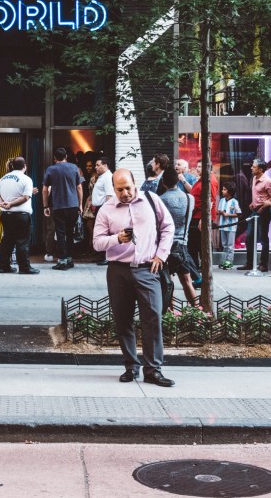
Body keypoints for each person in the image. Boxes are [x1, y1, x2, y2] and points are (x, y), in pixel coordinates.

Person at [93, 168, 175, 387]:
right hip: (118, 270)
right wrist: (117, 239)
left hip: (148, 268)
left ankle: (153, 370)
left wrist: (161, 254)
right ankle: (131, 366)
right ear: (113, 188)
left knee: (153, 319)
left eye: (128, 188)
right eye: (119, 189)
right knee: (123, 320)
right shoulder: (106, 209)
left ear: (134, 183)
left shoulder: (152, 200)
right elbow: (97, 243)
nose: (125, 193)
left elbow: (168, 227)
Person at [157, 167, 198, 306]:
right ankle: (197, 310)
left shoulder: (160, 200)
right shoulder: (190, 198)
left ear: (163, 182)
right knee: (187, 281)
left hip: (165, 245)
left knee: (167, 281)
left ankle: (171, 312)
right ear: (177, 181)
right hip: (182, 246)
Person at [0, 156, 37, 275]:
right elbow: (25, 197)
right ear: (25, 166)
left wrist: (2, 203)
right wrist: (11, 204)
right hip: (21, 215)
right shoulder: (26, 179)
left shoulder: (3, 178)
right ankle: (24, 267)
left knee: (7, 240)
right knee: (22, 241)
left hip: (5, 214)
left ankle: (3, 266)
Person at [42, 147, 83, 270]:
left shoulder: (51, 169)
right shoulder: (74, 168)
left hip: (58, 206)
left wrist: (45, 206)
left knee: (60, 233)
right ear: (66, 157)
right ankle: (69, 259)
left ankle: (62, 260)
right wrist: (80, 204)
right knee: (70, 233)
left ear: (54, 158)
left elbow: (45, 190)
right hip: (73, 205)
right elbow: (79, 187)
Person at [240, 158, 271, 272]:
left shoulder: (268, 181)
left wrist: (263, 207)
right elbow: (257, 194)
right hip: (254, 211)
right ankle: (250, 263)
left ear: (260, 170)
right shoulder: (254, 178)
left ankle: (264, 264)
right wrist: (253, 203)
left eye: (253, 167)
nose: (251, 168)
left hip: (264, 212)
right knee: (249, 237)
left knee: (263, 238)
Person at [187, 161, 218, 266]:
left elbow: (210, 201)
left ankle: (202, 266)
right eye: (197, 166)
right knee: (195, 244)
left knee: (200, 244)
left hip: (200, 216)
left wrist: (203, 218)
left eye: (200, 166)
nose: (198, 168)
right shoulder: (203, 179)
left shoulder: (210, 180)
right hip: (196, 215)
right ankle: (196, 266)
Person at [91, 157, 115, 264]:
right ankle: (101, 255)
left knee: (104, 232)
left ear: (105, 165)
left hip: (103, 208)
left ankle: (105, 257)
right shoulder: (102, 177)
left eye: (98, 165)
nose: (95, 167)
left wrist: (106, 211)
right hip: (99, 208)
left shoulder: (108, 177)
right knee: (100, 232)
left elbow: (109, 195)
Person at [216, 182, 241, 269]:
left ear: (230, 191)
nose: (222, 191)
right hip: (222, 226)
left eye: (224, 189)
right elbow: (219, 211)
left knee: (230, 245)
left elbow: (238, 213)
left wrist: (228, 214)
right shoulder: (222, 200)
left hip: (231, 227)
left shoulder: (234, 202)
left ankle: (229, 261)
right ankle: (224, 260)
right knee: (224, 245)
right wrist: (220, 212)